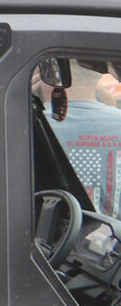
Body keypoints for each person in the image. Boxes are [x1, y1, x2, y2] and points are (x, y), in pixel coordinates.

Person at [39, 60, 121, 217]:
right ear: (98, 76)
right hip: (110, 238)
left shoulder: (32, 124)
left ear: (47, 75)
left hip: (51, 237)